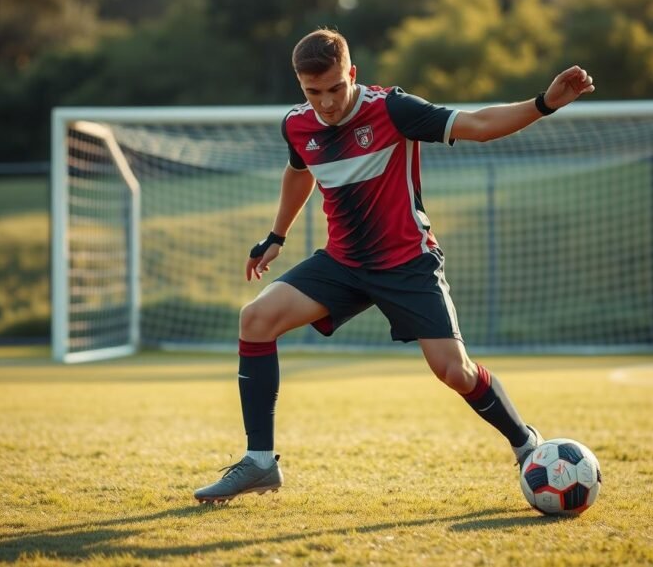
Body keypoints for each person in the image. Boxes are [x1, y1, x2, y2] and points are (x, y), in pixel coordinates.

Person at [194, 28, 594, 503]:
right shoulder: (297, 125)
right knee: (255, 319)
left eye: (335, 88)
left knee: (454, 371)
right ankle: (259, 462)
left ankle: (527, 443)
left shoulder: (392, 109)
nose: (325, 103)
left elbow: (480, 124)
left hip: (408, 262)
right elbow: (299, 171)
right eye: (312, 92)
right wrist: (276, 236)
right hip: (343, 262)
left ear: (353, 74)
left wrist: (543, 103)